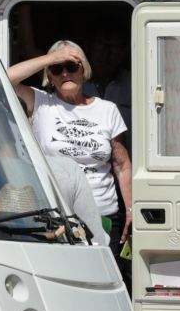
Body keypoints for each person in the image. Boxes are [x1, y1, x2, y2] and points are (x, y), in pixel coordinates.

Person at [7, 39, 132, 279]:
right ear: (49, 76)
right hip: (57, 219)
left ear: (83, 70)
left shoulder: (107, 110)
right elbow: (2, 80)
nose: (65, 73)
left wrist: (131, 210)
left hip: (104, 217)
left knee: (104, 283)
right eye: (57, 69)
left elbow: (122, 165)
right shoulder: (41, 102)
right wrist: (50, 58)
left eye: (72, 66)